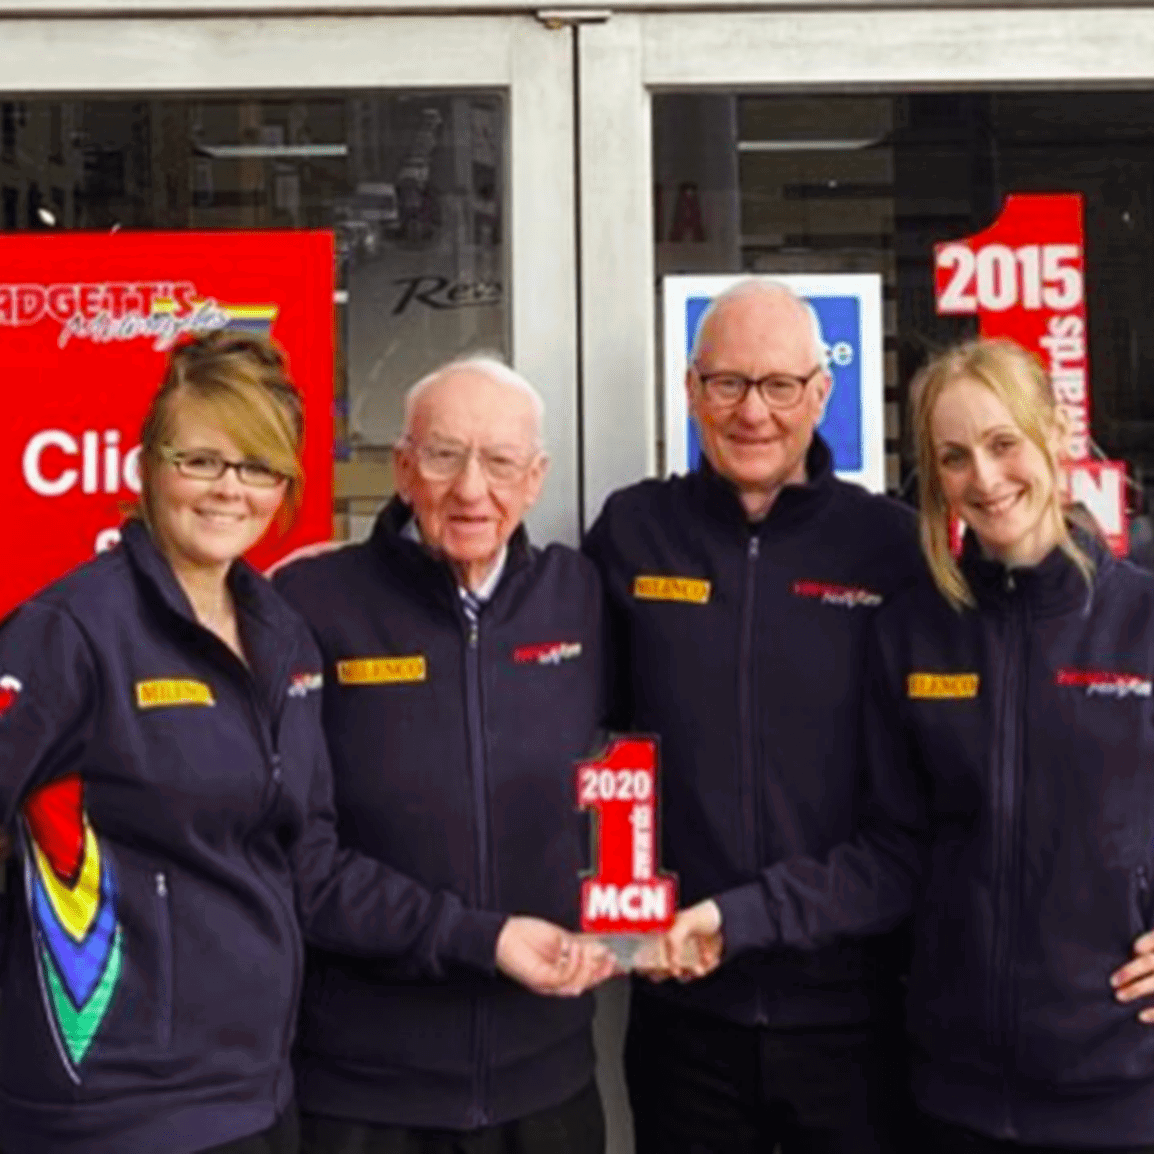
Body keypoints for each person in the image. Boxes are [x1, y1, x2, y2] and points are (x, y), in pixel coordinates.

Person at [0, 333, 612, 1154]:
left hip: (258, 1092)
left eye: (256, 467)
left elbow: (301, 859)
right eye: (202, 461)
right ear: (145, 467)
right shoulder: (72, 630)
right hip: (115, 1106)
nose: (230, 491)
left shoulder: (280, 629)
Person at [668, 335, 1154, 1151]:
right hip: (948, 1093)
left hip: (1123, 1092)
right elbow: (893, 855)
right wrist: (733, 917)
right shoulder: (917, 632)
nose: (986, 479)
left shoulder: (1141, 620)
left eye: (1004, 444)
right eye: (955, 457)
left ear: (1055, 434)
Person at [583, 279, 924, 1153]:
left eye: (779, 386)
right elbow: (553, 700)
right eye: (728, 384)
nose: (753, 413)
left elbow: (991, 741)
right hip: (683, 1012)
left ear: (822, 392)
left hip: (855, 1012)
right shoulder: (633, 531)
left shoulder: (892, 547)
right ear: (692, 391)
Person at [272, 356, 613, 1154]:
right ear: (400, 467)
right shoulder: (312, 604)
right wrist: (477, 937)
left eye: (499, 462)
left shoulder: (582, 598)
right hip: (365, 1091)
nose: (470, 490)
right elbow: (300, 859)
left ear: (536, 479)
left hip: (549, 1082)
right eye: (443, 455)